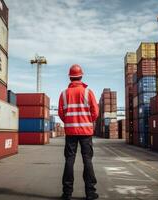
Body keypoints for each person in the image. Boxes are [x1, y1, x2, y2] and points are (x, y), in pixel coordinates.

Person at [58, 64, 99, 200]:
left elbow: (61, 113)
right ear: (81, 76)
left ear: (70, 77)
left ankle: (67, 193)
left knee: (69, 160)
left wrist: (70, 122)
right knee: (87, 160)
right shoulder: (88, 92)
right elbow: (95, 112)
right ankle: (90, 193)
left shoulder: (64, 94)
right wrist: (87, 119)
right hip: (86, 132)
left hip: (70, 133)